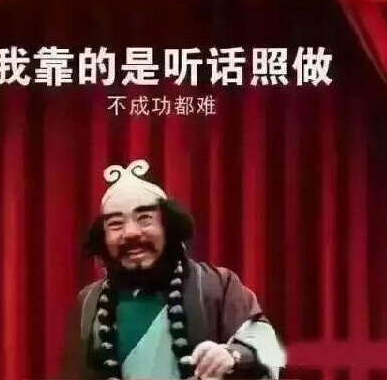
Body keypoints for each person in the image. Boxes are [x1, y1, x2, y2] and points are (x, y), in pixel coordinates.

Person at [60, 159, 286, 379]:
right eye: (116, 224)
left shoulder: (217, 285)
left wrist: (231, 355)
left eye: (145, 219)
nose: (130, 233)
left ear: (168, 227)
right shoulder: (90, 302)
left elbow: (263, 341)